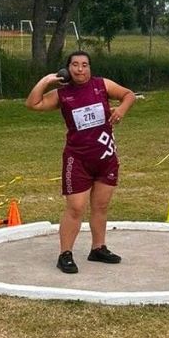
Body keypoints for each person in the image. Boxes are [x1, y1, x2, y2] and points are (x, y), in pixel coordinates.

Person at [25, 51, 136, 274]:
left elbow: (128, 94)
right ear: (67, 69)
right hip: (78, 159)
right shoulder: (62, 94)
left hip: (105, 156)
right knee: (76, 207)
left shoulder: (101, 85)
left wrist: (122, 109)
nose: (80, 69)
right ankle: (65, 254)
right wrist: (46, 81)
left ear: (90, 68)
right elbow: (33, 103)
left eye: (84, 65)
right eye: (75, 65)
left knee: (101, 205)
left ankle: (98, 248)